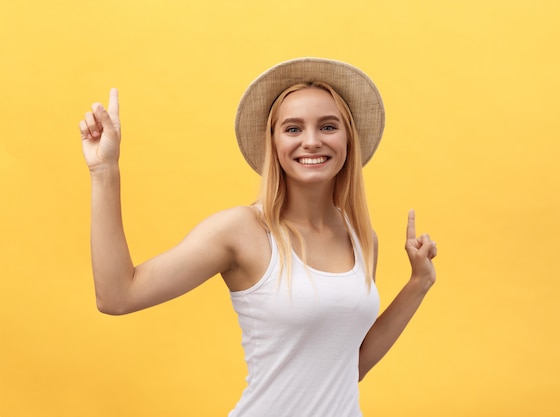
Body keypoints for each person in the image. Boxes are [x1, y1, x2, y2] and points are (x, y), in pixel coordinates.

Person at [79, 57, 437, 417]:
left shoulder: (361, 238)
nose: (311, 141)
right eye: (293, 129)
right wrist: (104, 171)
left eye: (328, 126)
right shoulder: (242, 230)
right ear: (273, 143)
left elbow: (349, 364)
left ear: (348, 139)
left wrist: (418, 283)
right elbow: (117, 296)